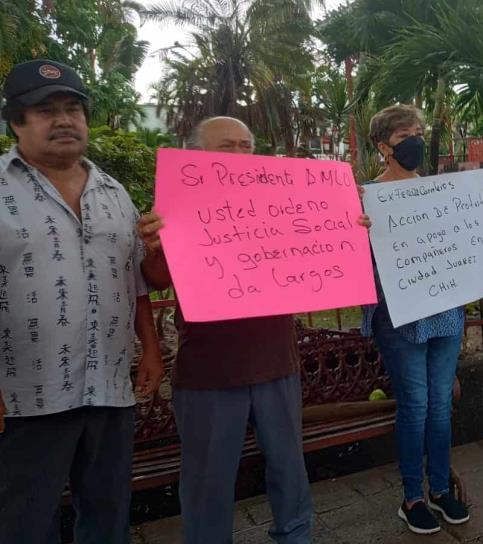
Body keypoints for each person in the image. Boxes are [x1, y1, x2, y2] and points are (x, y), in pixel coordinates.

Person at [137, 117, 339, 543]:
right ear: (194, 155)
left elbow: (321, 247)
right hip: (209, 372)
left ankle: (296, 535)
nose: (240, 155)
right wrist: (156, 246)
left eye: (246, 146)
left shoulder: (280, 198)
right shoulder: (176, 207)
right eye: (227, 146)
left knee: (289, 467)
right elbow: (156, 280)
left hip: (276, 362)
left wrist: (346, 225)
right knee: (208, 481)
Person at [0, 59, 164, 543]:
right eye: (45, 110)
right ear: (16, 121)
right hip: (26, 399)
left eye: (73, 108)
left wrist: (150, 348)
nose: (64, 120)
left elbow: (134, 280)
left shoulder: (113, 193)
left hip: (109, 388)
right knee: (24, 521)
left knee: (108, 511)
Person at [360, 105, 470, 535]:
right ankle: (413, 497)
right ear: (383, 145)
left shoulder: (441, 191)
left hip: (445, 313)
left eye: (420, 132)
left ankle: (441, 489)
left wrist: (480, 196)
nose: (417, 140)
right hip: (400, 317)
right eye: (407, 134)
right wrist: (358, 228)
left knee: (441, 406)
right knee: (416, 406)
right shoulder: (366, 197)